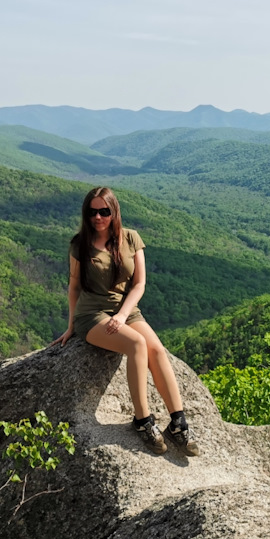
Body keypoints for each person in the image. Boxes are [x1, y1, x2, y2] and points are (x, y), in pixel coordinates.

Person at [52, 187, 198, 456]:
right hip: (91, 314)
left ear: (114, 211)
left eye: (104, 211)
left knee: (157, 349)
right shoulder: (79, 244)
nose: (98, 217)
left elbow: (140, 283)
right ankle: (142, 420)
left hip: (126, 311)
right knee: (137, 345)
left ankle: (178, 422)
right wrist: (72, 325)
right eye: (92, 211)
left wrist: (121, 315)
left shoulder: (131, 238)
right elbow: (74, 287)